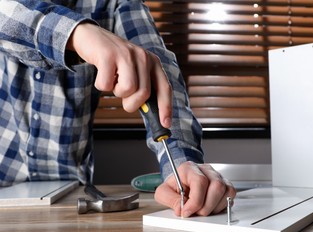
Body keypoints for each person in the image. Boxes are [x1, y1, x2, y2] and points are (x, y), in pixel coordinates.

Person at [0, 0, 236, 217]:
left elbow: (157, 69)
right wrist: (76, 34)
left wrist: (182, 160)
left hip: (70, 194)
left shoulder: (116, 3)